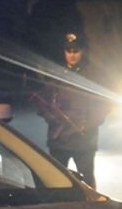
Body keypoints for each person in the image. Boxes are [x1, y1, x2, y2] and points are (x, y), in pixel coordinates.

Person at [32, 32, 109, 188]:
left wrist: (86, 124)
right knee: (55, 182)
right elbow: (41, 100)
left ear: (82, 51)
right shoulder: (56, 74)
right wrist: (52, 118)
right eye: (69, 51)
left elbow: (103, 105)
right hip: (60, 139)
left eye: (76, 51)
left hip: (84, 139)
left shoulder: (92, 75)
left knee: (87, 181)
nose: (72, 55)